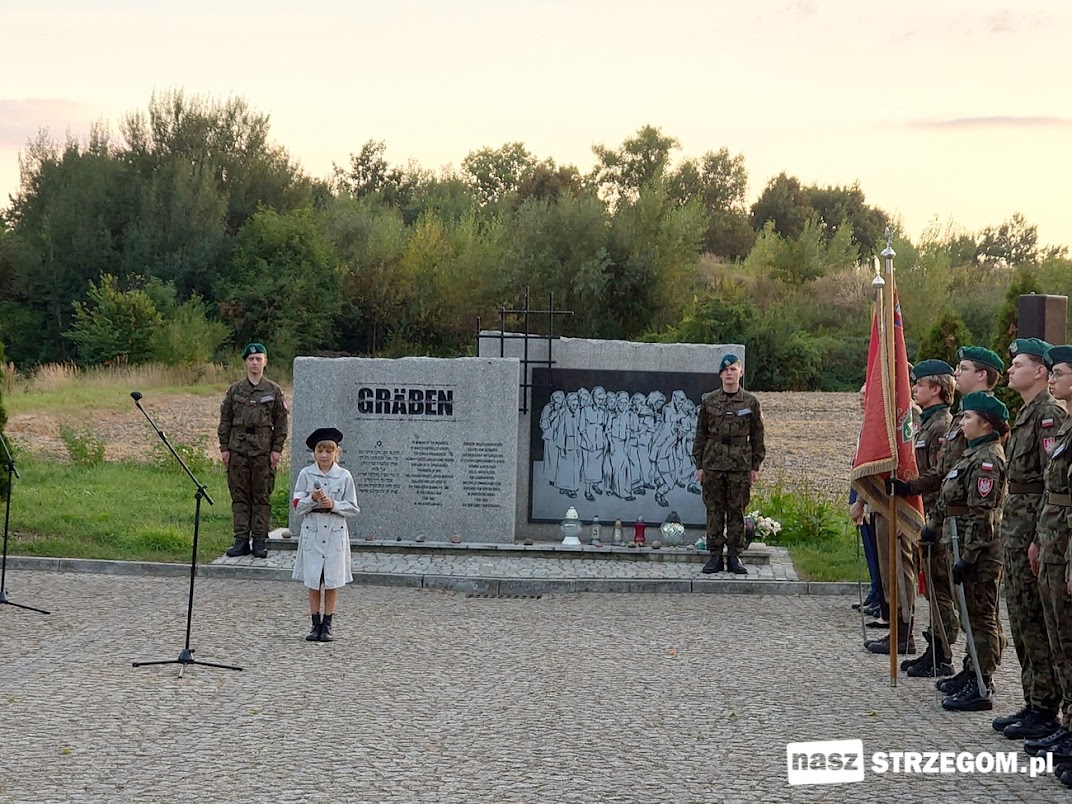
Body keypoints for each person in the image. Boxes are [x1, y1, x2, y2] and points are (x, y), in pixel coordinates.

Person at [890, 345, 1004, 694]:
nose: (958, 374)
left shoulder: (975, 440)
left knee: (978, 611)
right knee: (949, 595)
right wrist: (910, 489)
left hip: (969, 532)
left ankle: (977, 674)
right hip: (949, 523)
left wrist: (968, 553)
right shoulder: (959, 424)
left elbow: (973, 497)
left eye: (964, 367)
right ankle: (961, 664)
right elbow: (947, 472)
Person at [991, 339, 1067, 739]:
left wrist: (1040, 535)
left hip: (1037, 530)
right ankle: (1034, 700)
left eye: (1017, 364)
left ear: (1039, 371)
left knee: (1037, 621)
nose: (1010, 371)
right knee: (1021, 618)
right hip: (1019, 528)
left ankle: (1046, 707)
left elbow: (1048, 485)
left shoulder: (1048, 416)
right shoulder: (1027, 415)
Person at [920, 392, 1009, 712]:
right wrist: (933, 524)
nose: (963, 422)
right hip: (960, 541)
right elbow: (950, 494)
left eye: (968, 418)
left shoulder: (988, 458)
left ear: (985, 423)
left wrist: (968, 557)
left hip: (980, 552)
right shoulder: (971, 453)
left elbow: (983, 514)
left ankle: (981, 682)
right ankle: (971, 671)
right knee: (971, 612)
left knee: (981, 617)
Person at [1024, 345, 1072, 764]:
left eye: (1059, 371)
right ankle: (1057, 719)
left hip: (1065, 545)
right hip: (1051, 536)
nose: (1054, 378)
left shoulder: (1054, 420)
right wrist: (1040, 537)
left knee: (1065, 638)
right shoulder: (1065, 426)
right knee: (1055, 635)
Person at [900, 360, 956, 676]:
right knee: (932, 588)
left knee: (940, 589)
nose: (914, 390)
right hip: (929, 513)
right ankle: (934, 647)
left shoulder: (941, 426)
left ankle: (942, 653)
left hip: (939, 515)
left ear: (935, 389)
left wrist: (910, 486)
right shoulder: (926, 423)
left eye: (919, 385)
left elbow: (939, 474)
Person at [693, 354, 765, 575]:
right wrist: (699, 464)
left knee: (736, 511)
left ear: (740, 373)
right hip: (713, 462)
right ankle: (715, 556)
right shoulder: (709, 400)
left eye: (733, 369)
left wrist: (755, 465)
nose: (729, 373)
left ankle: (734, 556)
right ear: (720, 375)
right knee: (714, 510)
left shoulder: (750, 402)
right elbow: (701, 434)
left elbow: (757, 435)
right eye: (725, 370)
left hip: (740, 463)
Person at [218, 343, 288, 559]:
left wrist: (276, 450)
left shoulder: (273, 390)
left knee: (261, 496)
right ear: (245, 362)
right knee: (239, 496)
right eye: (251, 359)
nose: (255, 363)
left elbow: (281, 423)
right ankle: (240, 540)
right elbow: (226, 420)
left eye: (259, 359)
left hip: (262, 451)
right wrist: (224, 448)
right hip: (238, 450)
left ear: (265, 361)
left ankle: (259, 540)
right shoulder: (235, 390)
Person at [292, 427, 360, 642]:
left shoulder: (344, 476)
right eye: (320, 450)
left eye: (328, 451)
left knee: (331, 580)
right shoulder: (306, 474)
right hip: (313, 529)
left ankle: (328, 624)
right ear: (314, 452)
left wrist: (334, 505)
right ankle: (314, 623)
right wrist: (312, 499)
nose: (324, 455)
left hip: (334, 530)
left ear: (336, 453)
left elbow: (353, 507)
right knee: (313, 580)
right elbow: (297, 506)